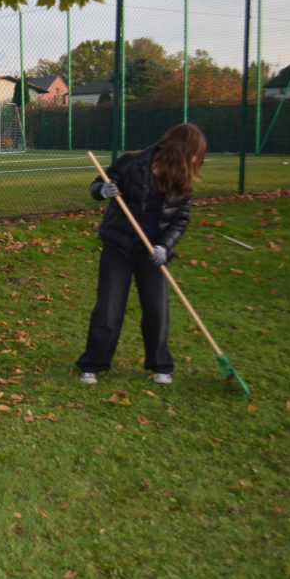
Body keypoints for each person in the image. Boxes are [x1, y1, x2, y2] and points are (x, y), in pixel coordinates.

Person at [76, 123, 207, 386]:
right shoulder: (130, 163)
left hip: (153, 253)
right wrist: (103, 190)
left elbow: (179, 220)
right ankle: (93, 364)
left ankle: (161, 365)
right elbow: (98, 184)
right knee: (109, 308)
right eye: (195, 154)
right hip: (119, 247)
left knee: (157, 309)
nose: (196, 161)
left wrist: (164, 247)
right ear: (180, 149)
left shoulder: (183, 180)